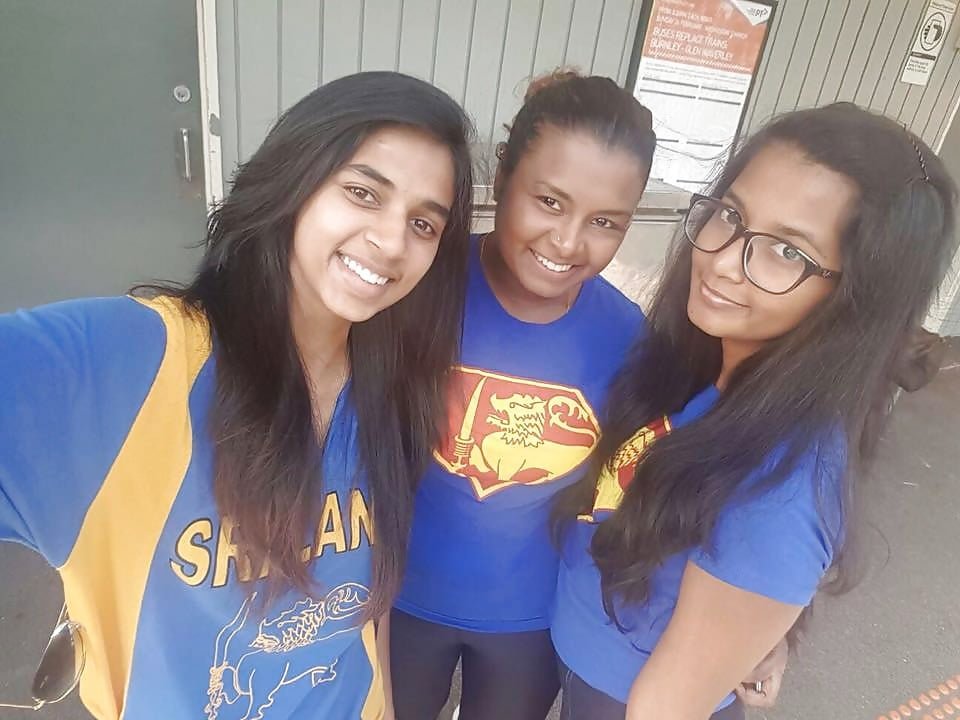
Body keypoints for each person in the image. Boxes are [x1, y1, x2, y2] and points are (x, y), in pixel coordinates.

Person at [0, 70, 474, 719]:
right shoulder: (131, 365)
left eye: (423, 224)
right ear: (294, 180)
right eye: (363, 192)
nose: (393, 242)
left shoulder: (392, 389)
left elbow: (368, 602)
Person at [389, 71, 781, 720]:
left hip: (535, 624)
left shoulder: (630, 340)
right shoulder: (418, 286)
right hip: (395, 600)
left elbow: (673, 490)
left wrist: (763, 627)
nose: (568, 242)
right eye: (548, 201)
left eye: (604, 221)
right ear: (503, 175)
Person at [549, 102, 957, 720]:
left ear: (853, 298)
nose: (722, 259)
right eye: (732, 215)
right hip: (585, 660)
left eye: (787, 252)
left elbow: (667, 707)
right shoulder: (703, 363)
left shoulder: (784, 487)